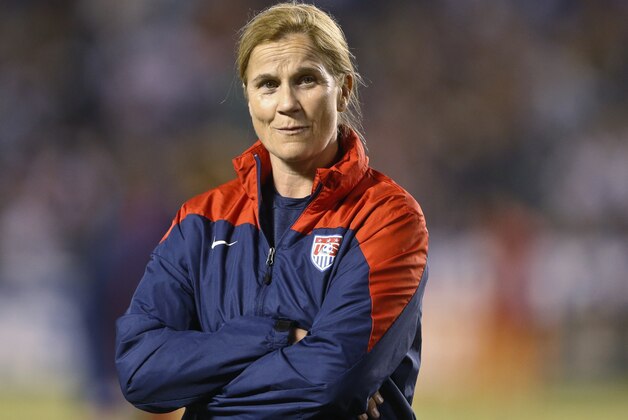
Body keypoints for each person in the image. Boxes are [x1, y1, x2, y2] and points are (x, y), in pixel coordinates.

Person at [115, 2, 429, 419]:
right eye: (267, 84)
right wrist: (279, 338)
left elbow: (332, 382)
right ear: (247, 96)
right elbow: (139, 371)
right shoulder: (200, 221)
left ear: (345, 89)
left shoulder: (386, 217)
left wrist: (202, 392)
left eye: (306, 80)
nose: (287, 103)